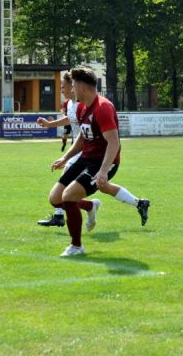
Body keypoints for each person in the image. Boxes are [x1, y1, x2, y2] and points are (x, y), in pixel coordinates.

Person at [47, 67, 150, 257]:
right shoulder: (80, 107)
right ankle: (91, 206)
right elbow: (82, 138)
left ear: (82, 86)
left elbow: (114, 141)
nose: (71, 90)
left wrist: (103, 171)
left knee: (68, 196)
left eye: (73, 85)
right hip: (86, 158)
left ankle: (76, 246)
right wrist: (66, 157)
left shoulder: (103, 108)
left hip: (103, 162)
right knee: (55, 198)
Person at [36, 72, 83, 228]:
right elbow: (70, 119)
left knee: (63, 187)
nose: (61, 89)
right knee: (103, 186)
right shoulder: (70, 103)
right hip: (76, 148)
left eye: (63, 86)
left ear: (73, 86)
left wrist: (66, 157)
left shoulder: (84, 103)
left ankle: (87, 208)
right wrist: (50, 124)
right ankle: (60, 215)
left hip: (85, 149)